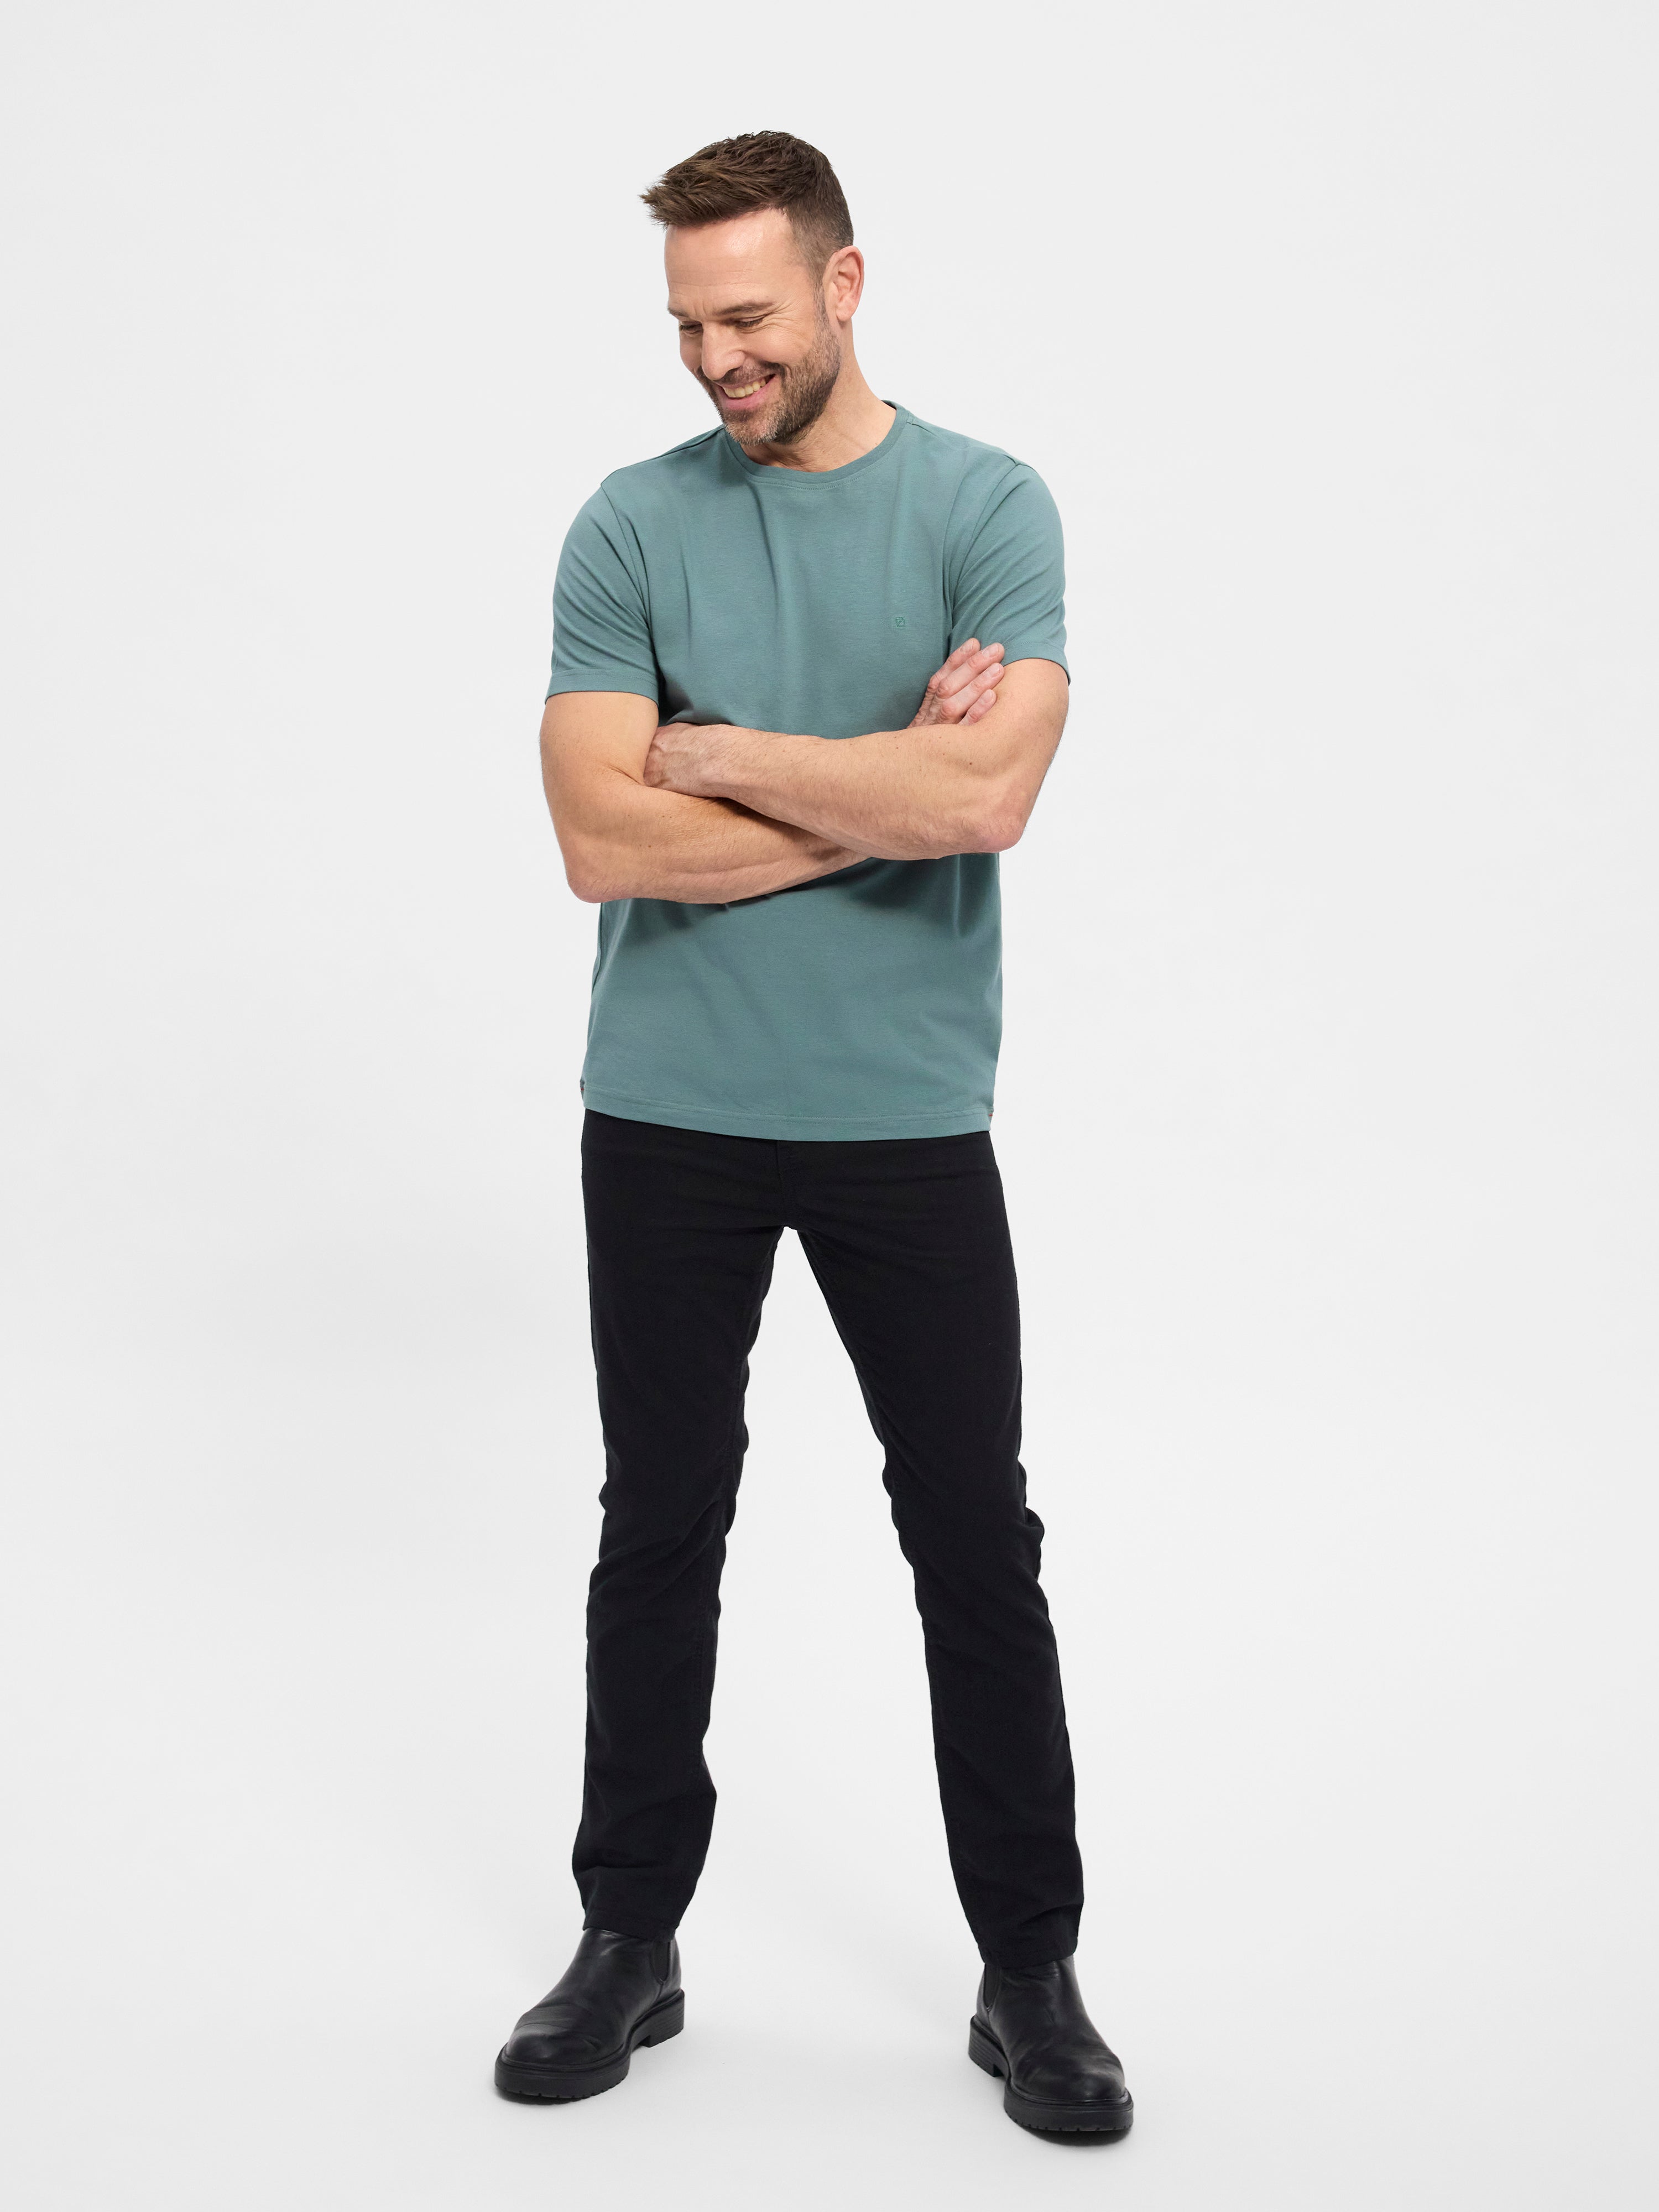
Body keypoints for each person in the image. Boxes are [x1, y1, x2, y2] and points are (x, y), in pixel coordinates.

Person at [493, 131, 1132, 2137]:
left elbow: (990, 802)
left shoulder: (986, 506)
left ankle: (1030, 1971)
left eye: (750, 317)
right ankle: (629, 1938)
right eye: (689, 325)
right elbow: (599, 837)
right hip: (664, 1112)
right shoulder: (629, 524)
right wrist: (877, 785)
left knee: (973, 1538)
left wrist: (724, 756)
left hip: (902, 1119)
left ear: (846, 286)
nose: (718, 359)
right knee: (659, 1525)